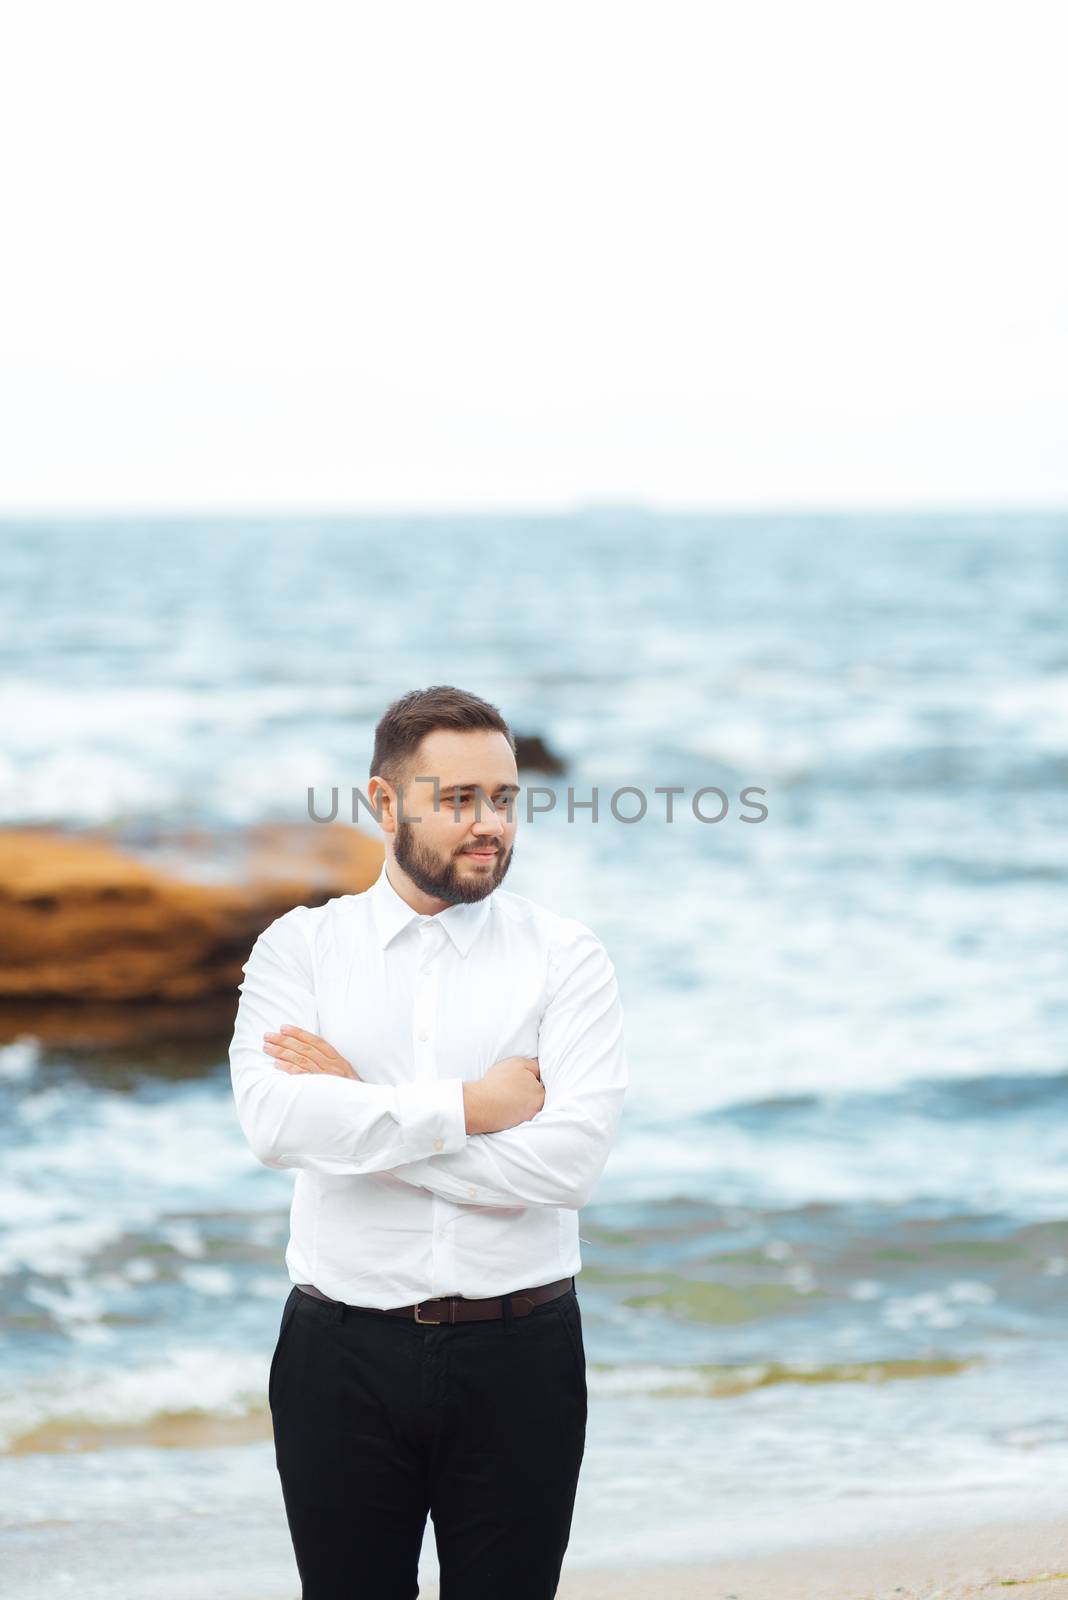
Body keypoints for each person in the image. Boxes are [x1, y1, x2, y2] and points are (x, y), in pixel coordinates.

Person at [228, 684, 629, 1599]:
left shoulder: (567, 958)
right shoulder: (301, 951)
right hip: (339, 1361)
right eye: (457, 801)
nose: (488, 824)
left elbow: (568, 1165)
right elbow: (277, 1123)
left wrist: (362, 1108)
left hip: (520, 1354)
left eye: (504, 798)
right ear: (383, 804)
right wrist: (472, 1107)